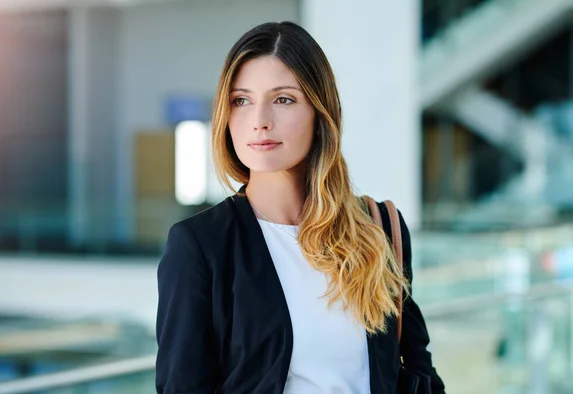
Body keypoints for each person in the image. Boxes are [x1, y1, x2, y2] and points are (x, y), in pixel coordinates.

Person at [155, 21, 445, 394]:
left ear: (319, 112)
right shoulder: (201, 245)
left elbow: (418, 368)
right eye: (241, 100)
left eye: (283, 99)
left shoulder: (377, 229)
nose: (259, 122)